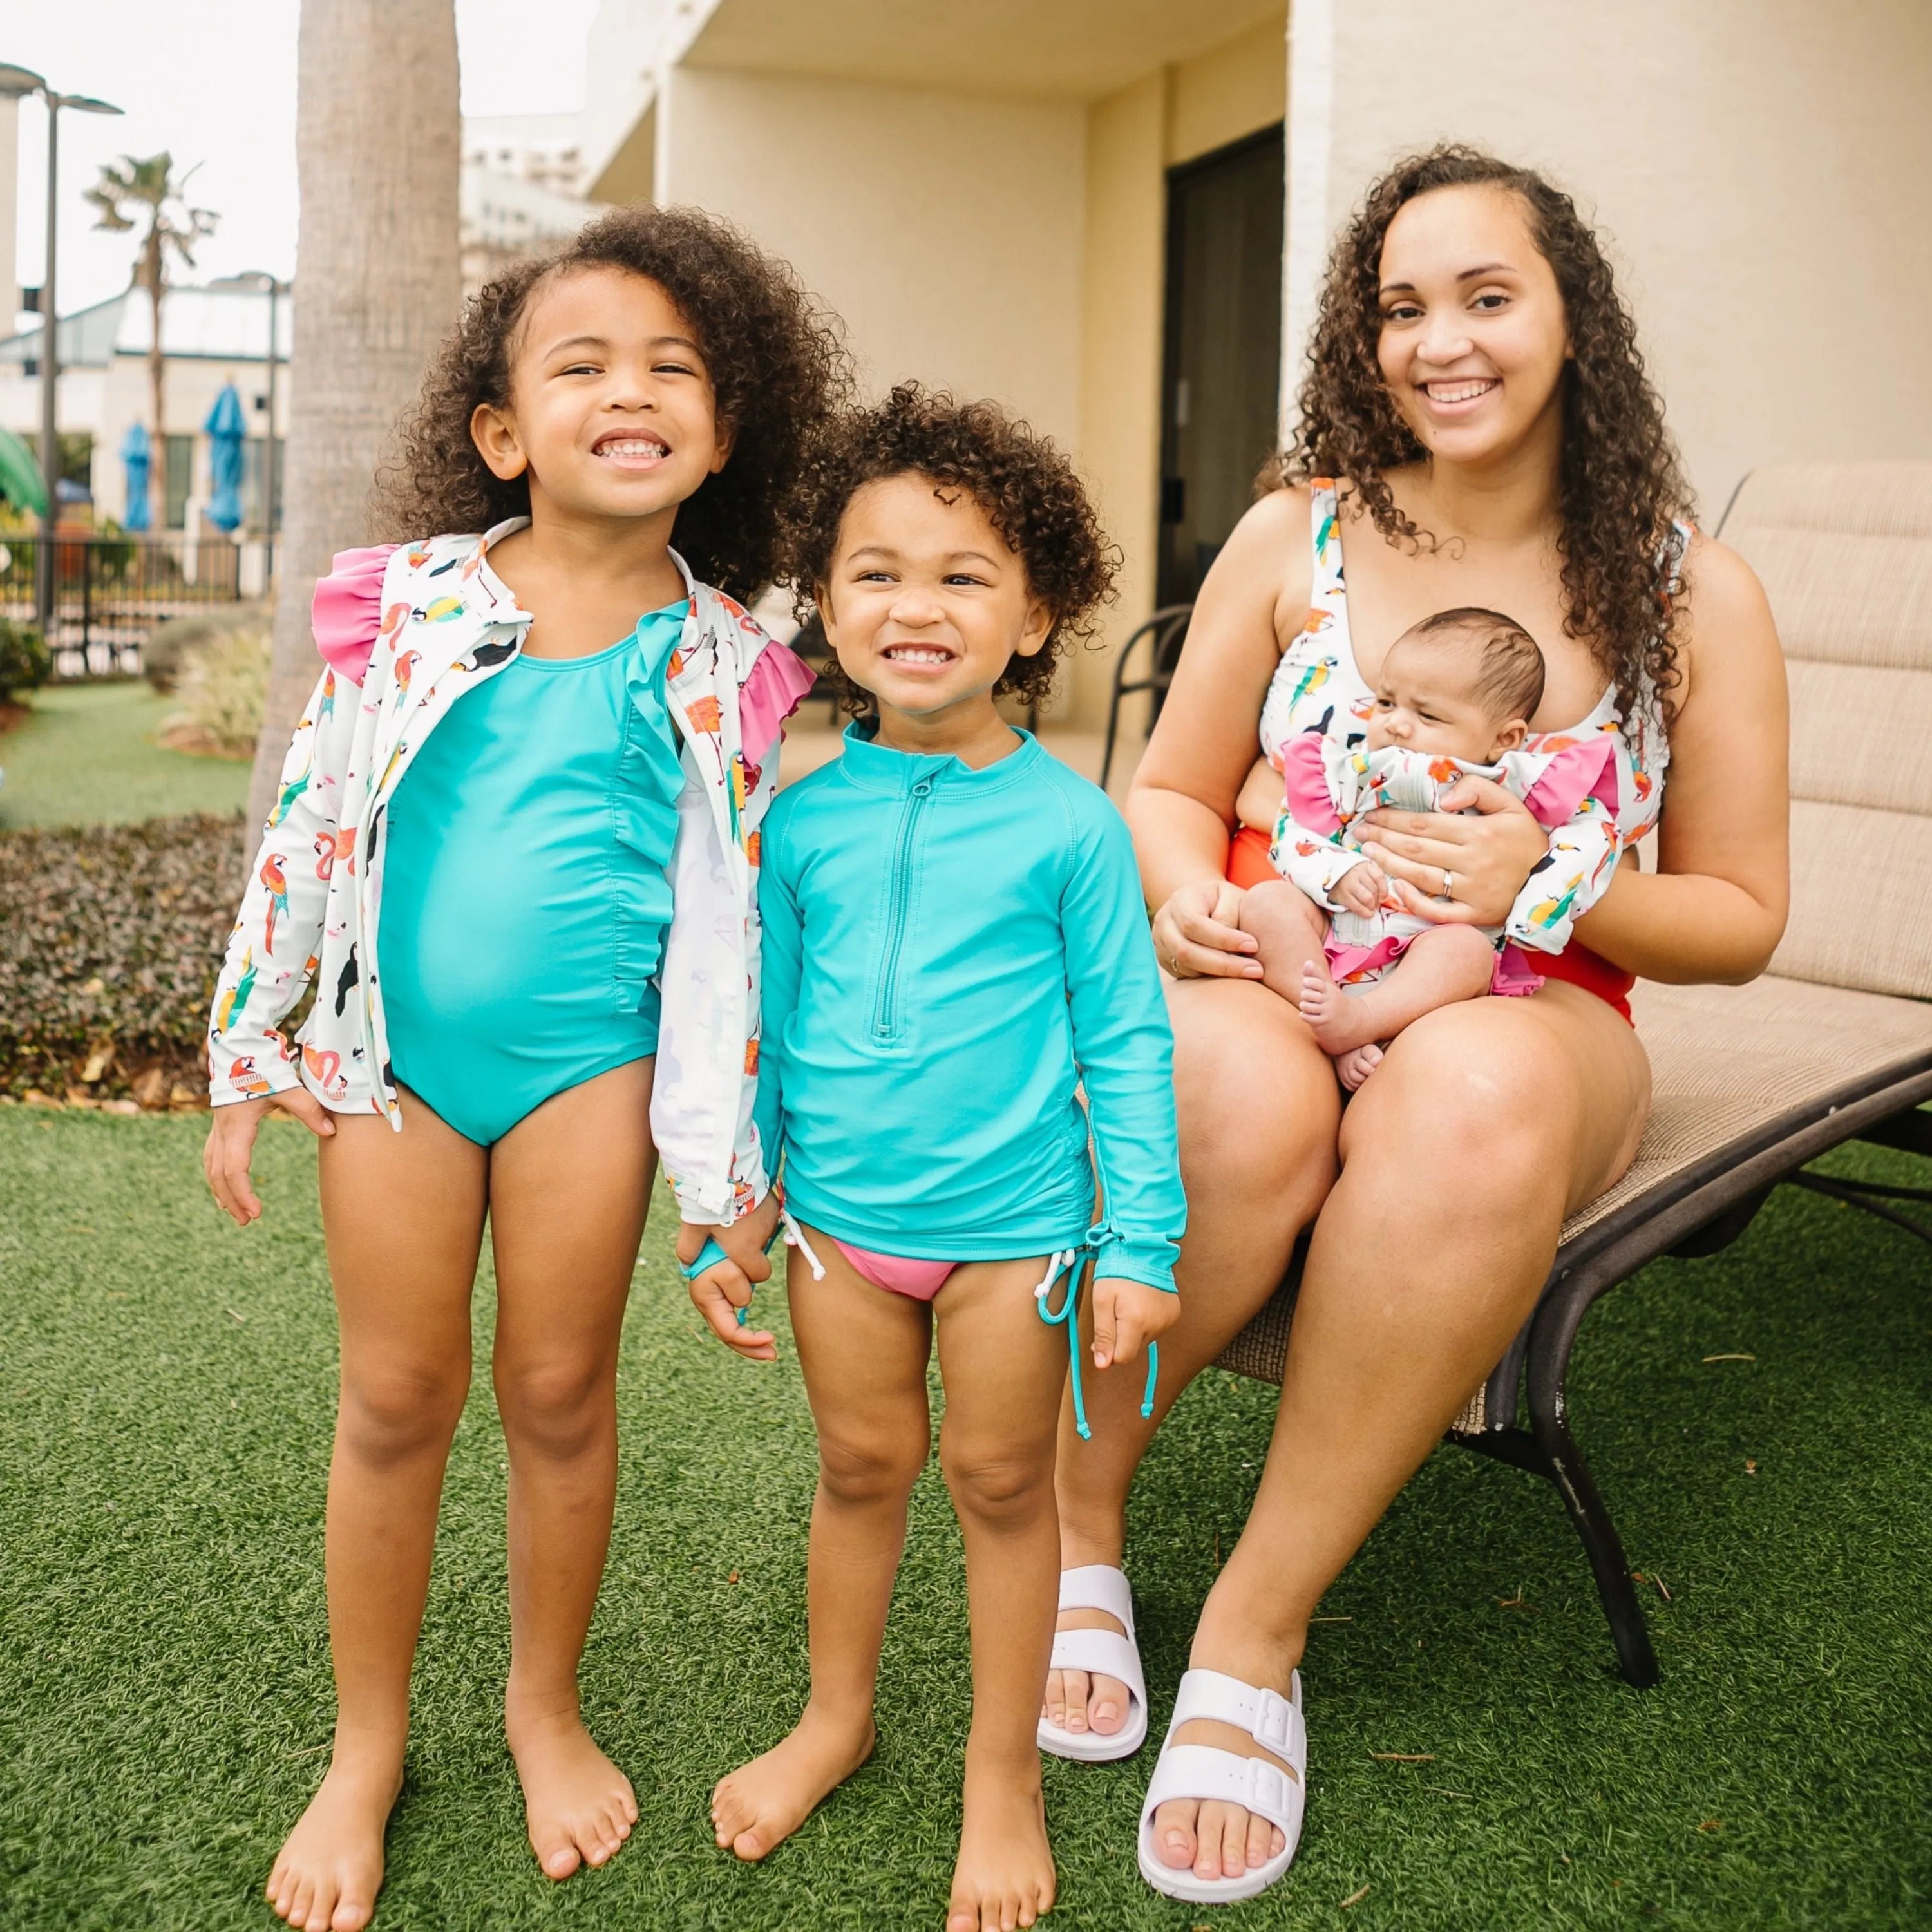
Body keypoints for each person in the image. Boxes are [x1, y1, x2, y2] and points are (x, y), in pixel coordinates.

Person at [1035, 146, 1789, 1906]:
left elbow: (1740, 922)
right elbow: (1167, 786)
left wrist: (1558, 878)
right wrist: (1181, 897)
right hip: (1268, 948)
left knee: (1466, 1108)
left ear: (1570, 322)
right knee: (1232, 1094)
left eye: (1486, 297)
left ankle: (1253, 1624)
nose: (1439, 341)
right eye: (1399, 307)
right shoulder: (1296, 533)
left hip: (1535, 993)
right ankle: (1078, 1527)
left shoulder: (1695, 594)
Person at [201, 205, 846, 1932]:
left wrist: (736, 1182)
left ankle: (540, 1705)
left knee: (559, 1397)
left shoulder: (728, 663)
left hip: (589, 1080)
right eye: (581, 365)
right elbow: (314, 822)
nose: (628, 392)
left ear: (722, 431)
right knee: (397, 1400)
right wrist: (250, 1047)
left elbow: (745, 927)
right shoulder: (404, 605)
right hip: (392, 1065)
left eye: (673, 369)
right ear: (504, 434)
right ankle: (365, 1745)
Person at [705, 386, 1186, 1932]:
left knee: (996, 1481)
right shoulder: (797, 818)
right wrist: (739, 1209)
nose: (917, 605)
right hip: (837, 1230)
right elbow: (761, 1033)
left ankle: (1002, 1772)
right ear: (826, 604)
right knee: (859, 1468)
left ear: (1034, 609)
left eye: (963, 574)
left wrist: (1142, 1243)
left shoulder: (1074, 829)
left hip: (1014, 1239)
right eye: (877, 572)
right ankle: (833, 1717)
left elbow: (1127, 1042)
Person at [1242, 603, 1626, 1088]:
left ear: (1503, 738)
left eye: (1426, 713)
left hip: (1430, 947)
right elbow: (1291, 829)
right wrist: (1331, 872)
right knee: (1266, 903)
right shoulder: (1352, 768)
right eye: (1386, 703)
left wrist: (1535, 911)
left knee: (1465, 953)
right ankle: (1331, 1022)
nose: (1396, 724)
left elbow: (1593, 841)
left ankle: (1362, 1022)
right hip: (1336, 935)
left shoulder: (1519, 782)